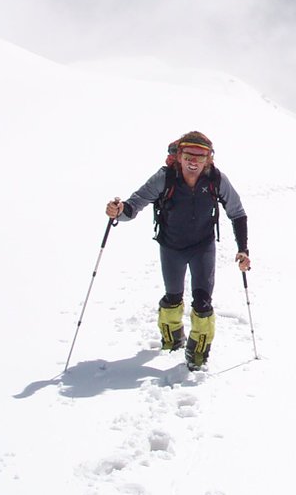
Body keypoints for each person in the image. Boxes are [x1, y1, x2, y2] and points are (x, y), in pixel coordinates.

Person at [105, 131, 250, 371]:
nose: (194, 161)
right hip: (171, 246)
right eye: (188, 155)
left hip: (202, 247)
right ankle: (172, 341)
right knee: (172, 298)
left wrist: (243, 249)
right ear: (179, 156)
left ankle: (197, 355)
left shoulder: (216, 179)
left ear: (209, 159)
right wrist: (118, 211)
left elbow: (237, 212)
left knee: (203, 303)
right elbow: (134, 204)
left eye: (200, 156)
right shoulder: (165, 178)